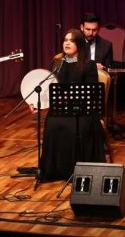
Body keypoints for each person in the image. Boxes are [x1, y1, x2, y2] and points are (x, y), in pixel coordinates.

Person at [39, 28, 106, 181]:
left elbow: (92, 92)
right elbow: (48, 87)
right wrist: (38, 103)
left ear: (79, 44)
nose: (67, 43)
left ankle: (77, 171)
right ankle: (56, 170)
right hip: (61, 109)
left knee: (76, 128)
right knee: (52, 124)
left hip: (82, 110)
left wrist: (69, 96)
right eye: (65, 40)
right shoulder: (57, 63)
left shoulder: (88, 64)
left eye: (72, 41)